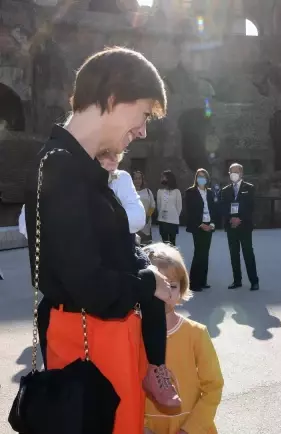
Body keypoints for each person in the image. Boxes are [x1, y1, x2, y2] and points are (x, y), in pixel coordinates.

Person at [23, 47, 177, 434]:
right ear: (112, 99)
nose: (142, 130)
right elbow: (88, 283)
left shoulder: (81, 164)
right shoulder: (59, 165)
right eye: (143, 114)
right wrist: (149, 281)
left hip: (107, 336)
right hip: (89, 340)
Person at [143, 243, 224, 434]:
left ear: (182, 289)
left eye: (171, 285)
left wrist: (190, 429)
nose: (164, 294)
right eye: (156, 285)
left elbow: (213, 387)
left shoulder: (196, 333)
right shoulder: (133, 335)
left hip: (190, 426)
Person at [18, 151, 146, 239]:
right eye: (106, 153)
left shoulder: (120, 178)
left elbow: (138, 218)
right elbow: (26, 223)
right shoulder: (63, 177)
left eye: (118, 153)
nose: (114, 159)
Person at [221, 163, 259, 291]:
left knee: (248, 253)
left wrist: (240, 218)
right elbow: (224, 207)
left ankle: (254, 281)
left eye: (236, 171)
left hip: (245, 225)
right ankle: (237, 280)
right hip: (231, 226)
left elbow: (251, 206)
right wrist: (231, 218)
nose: (234, 174)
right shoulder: (225, 190)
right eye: (231, 172)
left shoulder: (250, 188)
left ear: (241, 173)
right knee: (234, 254)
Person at [185, 168, 218, 291]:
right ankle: (194, 283)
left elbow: (214, 209)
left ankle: (203, 281)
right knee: (199, 253)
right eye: (199, 176)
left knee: (205, 253)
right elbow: (190, 212)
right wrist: (200, 224)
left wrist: (212, 224)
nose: (201, 178)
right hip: (198, 226)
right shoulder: (190, 192)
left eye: (203, 176)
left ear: (207, 178)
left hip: (209, 225)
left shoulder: (210, 192)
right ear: (196, 178)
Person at [157, 169, 182, 245]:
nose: (162, 179)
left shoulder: (177, 191)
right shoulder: (160, 191)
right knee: (164, 243)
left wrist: (174, 215)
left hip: (173, 221)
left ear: (169, 178)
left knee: (172, 243)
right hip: (162, 220)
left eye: (163, 177)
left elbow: (179, 207)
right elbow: (159, 206)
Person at [133, 170, 157, 245]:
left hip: (146, 225)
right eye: (135, 178)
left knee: (146, 248)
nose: (138, 180)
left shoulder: (148, 192)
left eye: (139, 178)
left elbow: (152, 205)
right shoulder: (129, 192)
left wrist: (148, 216)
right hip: (133, 226)